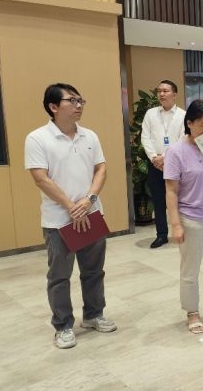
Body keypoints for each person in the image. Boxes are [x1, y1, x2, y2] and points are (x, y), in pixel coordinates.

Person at [24, 83, 117, 349]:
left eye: (80, 100)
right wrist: (71, 206)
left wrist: (89, 200)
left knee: (94, 271)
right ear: (53, 106)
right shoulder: (37, 138)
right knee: (59, 276)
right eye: (72, 101)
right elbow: (41, 178)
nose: (78, 105)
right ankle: (63, 325)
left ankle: (94, 315)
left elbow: (101, 169)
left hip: (91, 214)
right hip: (59, 220)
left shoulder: (90, 136)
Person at [164, 99, 203, 334]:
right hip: (191, 218)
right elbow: (171, 190)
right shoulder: (176, 151)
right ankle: (192, 311)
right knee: (190, 270)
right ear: (190, 123)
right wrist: (176, 224)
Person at [141, 80, 186, 248]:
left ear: (174, 94)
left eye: (165, 91)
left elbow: (183, 139)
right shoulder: (150, 114)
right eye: (159, 91)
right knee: (158, 200)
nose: (161, 94)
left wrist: (166, 157)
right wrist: (154, 157)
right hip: (155, 164)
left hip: (176, 164)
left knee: (178, 199)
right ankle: (161, 235)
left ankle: (181, 231)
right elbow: (145, 137)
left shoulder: (183, 115)